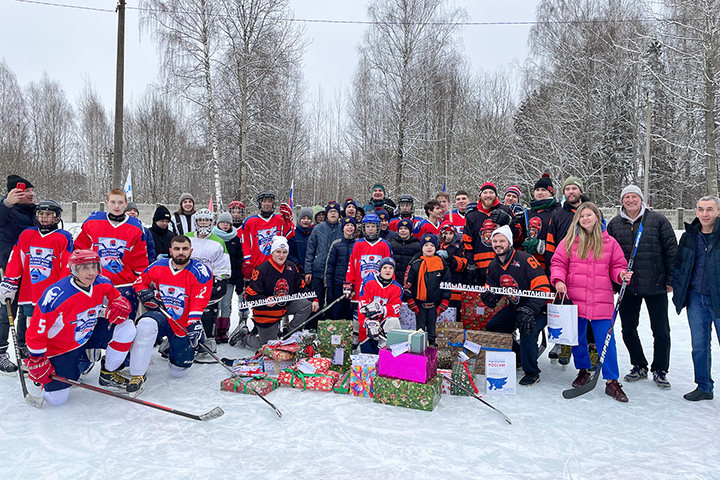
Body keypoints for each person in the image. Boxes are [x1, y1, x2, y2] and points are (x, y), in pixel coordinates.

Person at [25, 249, 135, 404]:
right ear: (73, 269)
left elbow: (114, 295)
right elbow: (36, 330)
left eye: (94, 267)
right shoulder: (56, 295)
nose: (91, 272)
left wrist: (119, 302)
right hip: (61, 348)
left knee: (127, 327)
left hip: (88, 334)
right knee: (56, 400)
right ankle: (56, 375)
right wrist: (37, 359)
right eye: (85, 268)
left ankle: (108, 372)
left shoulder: (102, 282)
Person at [550, 202, 632, 402]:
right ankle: (583, 370)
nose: (585, 219)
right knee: (578, 339)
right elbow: (558, 263)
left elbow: (617, 265)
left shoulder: (610, 242)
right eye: (581, 216)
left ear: (597, 216)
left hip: (601, 299)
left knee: (606, 341)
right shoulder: (569, 241)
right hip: (575, 298)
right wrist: (559, 280)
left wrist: (621, 274)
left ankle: (611, 381)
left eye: (589, 215)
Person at [607, 185, 677, 389]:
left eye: (634, 197)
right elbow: (609, 256)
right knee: (628, 329)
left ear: (641, 199)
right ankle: (639, 365)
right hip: (628, 286)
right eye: (626, 197)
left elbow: (671, 250)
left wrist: (670, 279)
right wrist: (614, 283)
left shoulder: (656, 220)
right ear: (622, 200)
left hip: (655, 284)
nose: (630, 200)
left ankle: (660, 369)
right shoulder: (615, 224)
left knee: (661, 330)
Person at [130, 235, 213, 394]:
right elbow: (139, 282)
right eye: (176, 249)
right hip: (161, 315)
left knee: (178, 371)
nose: (180, 252)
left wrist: (194, 322)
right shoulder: (159, 266)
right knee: (145, 326)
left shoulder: (201, 272)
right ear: (170, 251)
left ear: (191, 251)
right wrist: (144, 293)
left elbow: (199, 300)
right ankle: (137, 374)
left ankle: (177, 345)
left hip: (183, 323)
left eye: (184, 249)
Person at [0, 200, 73, 361]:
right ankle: (32, 357)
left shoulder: (63, 237)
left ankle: (51, 357)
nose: (44, 218)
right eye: (41, 214)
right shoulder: (27, 234)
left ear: (57, 217)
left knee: (52, 326)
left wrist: (61, 290)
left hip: (51, 293)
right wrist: (9, 282)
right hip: (30, 291)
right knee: (30, 324)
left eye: (48, 214)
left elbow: (66, 265)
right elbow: (16, 260)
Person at [481, 226, 550, 386]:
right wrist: (489, 299)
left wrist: (531, 309)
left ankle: (532, 371)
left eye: (502, 241)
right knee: (494, 325)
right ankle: (520, 356)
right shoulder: (493, 265)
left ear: (510, 243)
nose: (498, 244)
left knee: (527, 330)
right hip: (516, 307)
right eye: (495, 241)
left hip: (539, 308)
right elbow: (493, 291)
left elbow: (543, 288)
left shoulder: (526, 259)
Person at [672, 195, 720, 402]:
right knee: (699, 346)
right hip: (696, 299)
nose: (704, 214)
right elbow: (678, 264)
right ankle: (704, 386)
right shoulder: (689, 236)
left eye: (709, 209)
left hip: (718, 298)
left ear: (718, 211)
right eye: (701, 209)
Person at [74, 188, 149, 321]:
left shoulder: (136, 227)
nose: (116, 206)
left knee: (123, 322)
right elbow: (79, 250)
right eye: (113, 202)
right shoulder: (93, 222)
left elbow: (140, 259)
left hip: (124, 284)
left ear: (126, 204)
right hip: (96, 282)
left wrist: (141, 283)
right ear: (107, 203)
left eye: (120, 203)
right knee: (93, 322)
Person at [238, 236, 319, 349]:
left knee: (307, 305)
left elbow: (301, 286)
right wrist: (264, 300)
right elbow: (249, 294)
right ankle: (244, 336)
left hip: (284, 306)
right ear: (272, 252)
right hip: (266, 312)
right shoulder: (261, 269)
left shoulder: (291, 267)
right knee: (268, 346)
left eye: (284, 252)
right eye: (278, 252)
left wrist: (314, 298)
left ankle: (288, 331)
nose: (281, 255)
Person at [545, 176, 592, 366]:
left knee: (587, 311)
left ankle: (590, 347)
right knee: (564, 307)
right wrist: (553, 272)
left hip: (587, 269)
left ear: (580, 191)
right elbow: (550, 244)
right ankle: (563, 343)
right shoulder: (557, 215)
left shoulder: (591, 212)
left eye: (574, 188)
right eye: (567, 189)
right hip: (564, 268)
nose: (571, 192)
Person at [0, 174, 36, 374]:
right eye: (25, 191)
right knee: (7, 309)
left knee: (26, 307)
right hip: (8, 266)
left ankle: (22, 345)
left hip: (32, 267)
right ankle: (1, 351)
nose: (31, 194)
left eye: (31, 190)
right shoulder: (6, 209)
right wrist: (6, 204)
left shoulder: (34, 211)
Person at [185, 209, 230, 361]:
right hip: (187, 283)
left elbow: (222, 263)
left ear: (212, 222)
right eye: (200, 220)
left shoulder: (218, 241)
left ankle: (207, 342)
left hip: (208, 284)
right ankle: (185, 340)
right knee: (186, 313)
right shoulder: (187, 238)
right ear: (196, 221)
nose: (203, 223)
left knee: (208, 313)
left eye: (206, 220)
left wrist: (221, 279)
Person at [344, 213, 393, 347]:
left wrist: (390, 285)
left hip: (378, 287)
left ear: (378, 228)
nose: (370, 229)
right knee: (359, 312)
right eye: (368, 226)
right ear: (363, 228)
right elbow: (352, 265)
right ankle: (357, 336)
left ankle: (378, 339)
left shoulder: (384, 244)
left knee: (377, 310)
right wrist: (349, 282)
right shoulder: (358, 245)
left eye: (373, 226)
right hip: (361, 287)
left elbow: (390, 266)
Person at [463, 182, 520, 286]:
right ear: (480, 195)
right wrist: (470, 263)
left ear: (496, 195)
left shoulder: (506, 210)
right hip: (480, 267)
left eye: (491, 192)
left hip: (504, 264)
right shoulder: (472, 215)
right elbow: (467, 242)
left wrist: (509, 222)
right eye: (485, 192)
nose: (488, 195)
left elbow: (518, 236)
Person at [403, 234, 451, 347]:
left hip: (434, 304)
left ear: (436, 247)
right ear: (421, 247)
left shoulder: (442, 265)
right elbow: (408, 283)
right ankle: (418, 350)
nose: (429, 248)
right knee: (419, 330)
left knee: (432, 329)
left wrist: (445, 301)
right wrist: (409, 299)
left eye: (432, 245)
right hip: (419, 305)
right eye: (426, 245)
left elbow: (446, 284)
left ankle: (432, 348)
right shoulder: (415, 264)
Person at [241, 191, 294, 280]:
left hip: (277, 266)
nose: (267, 204)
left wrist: (288, 220)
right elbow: (246, 244)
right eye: (264, 201)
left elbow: (289, 235)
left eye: (269, 201)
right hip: (257, 266)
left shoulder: (280, 219)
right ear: (260, 203)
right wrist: (247, 262)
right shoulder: (249, 222)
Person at [304, 202, 343, 322]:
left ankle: (330, 329)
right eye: (330, 212)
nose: (333, 214)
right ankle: (312, 328)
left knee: (332, 302)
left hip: (334, 274)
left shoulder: (342, 229)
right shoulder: (318, 229)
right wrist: (308, 271)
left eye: (335, 212)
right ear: (326, 214)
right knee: (316, 301)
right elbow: (310, 250)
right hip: (317, 272)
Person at [358, 257, 403, 354]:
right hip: (368, 326)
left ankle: (390, 358)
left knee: (394, 322)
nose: (388, 270)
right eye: (385, 267)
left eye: (391, 268)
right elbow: (362, 305)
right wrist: (368, 323)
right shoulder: (368, 282)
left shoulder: (397, 288)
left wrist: (382, 310)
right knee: (368, 360)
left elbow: (395, 309)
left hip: (384, 325)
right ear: (380, 270)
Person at [212, 211, 243, 344]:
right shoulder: (213, 236)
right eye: (223, 222)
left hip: (229, 278)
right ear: (218, 224)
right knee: (215, 304)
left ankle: (223, 330)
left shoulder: (235, 239)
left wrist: (238, 279)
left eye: (227, 223)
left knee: (226, 304)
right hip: (215, 278)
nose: (225, 225)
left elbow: (237, 261)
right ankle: (213, 329)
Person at [522, 174, 560, 273]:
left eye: (543, 190)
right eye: (537, 190)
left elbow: (562, 239)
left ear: (551, 192)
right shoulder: (528, 212)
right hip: (528, 263)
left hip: (548, 265)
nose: (540, 193)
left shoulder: (557, 212)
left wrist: (541, 246)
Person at [325, 217, 358, 320]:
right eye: (347, 225)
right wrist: (328, 285)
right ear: (343, 228)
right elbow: (330, 266)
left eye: (352, 226)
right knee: (337, 311)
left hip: (353, 284)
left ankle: (350, 334)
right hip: (338, 283)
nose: (349, 228)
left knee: (350, 312)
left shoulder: (358, 244)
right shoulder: (336, 244)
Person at [437, 221, 467, 320]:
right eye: (445, 233)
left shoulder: (459, 246)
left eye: (450, 233)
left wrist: (449, 258)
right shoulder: (436, 245)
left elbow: (463, 264)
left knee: (455, 311)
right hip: (439, 282)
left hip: (454, 281)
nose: (448, 236)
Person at [388, 219, 421, 285]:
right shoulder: (391, 244)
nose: (403, 230)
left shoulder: (417, 245)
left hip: (410, 279)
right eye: (401, 228)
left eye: (406, 228)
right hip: (394, 279)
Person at [288, 207, 314, 274]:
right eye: (303, 218)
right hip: (297, 268)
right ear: (299, 220)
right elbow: (290, 252)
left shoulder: (314, 234)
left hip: (312, 270)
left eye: (308, 219)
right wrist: (296, 263)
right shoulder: (293, 234)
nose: (306, 220)